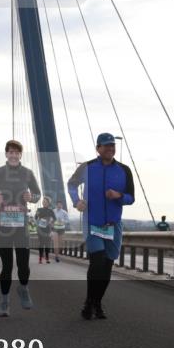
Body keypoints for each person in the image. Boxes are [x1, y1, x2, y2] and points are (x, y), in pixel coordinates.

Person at [68, 132, 134, 320]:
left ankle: (97, 302)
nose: (110, 148)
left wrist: (118, 196)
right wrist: (76, 201)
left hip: (113, 225)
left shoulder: (124, 170)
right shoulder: (87, 167)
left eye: (112, 145)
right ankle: (89, 302)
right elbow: (71, 184)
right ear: (98, 148)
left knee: (107, 266)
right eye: (106, 145)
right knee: (97, 261)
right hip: (92, 223)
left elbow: (131, 197)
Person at [0, 139, 41, 316]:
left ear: (20, 155)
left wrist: (31, 197)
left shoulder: (28, 173)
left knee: (23, 264)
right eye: (11, 152)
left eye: (17, 152)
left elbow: (37, 194)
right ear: (6, 154)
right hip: (4, 226)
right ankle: (4, 302)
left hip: (21, 225)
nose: (14, 155)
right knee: (7, 266)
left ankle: (23, 288)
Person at [35, 197, 55, 264]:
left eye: (45, 202)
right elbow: (35, 217)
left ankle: (47, 258)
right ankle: (40, 258)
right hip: (40, 229)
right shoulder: (39, 209)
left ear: (48, 203)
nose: (44, 203)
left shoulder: (51, 211)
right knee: (41, 244)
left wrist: (51, 222)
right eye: (43, 202)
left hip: (48, 229)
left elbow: (54, 219)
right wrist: (37, 215)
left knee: (47, 244)